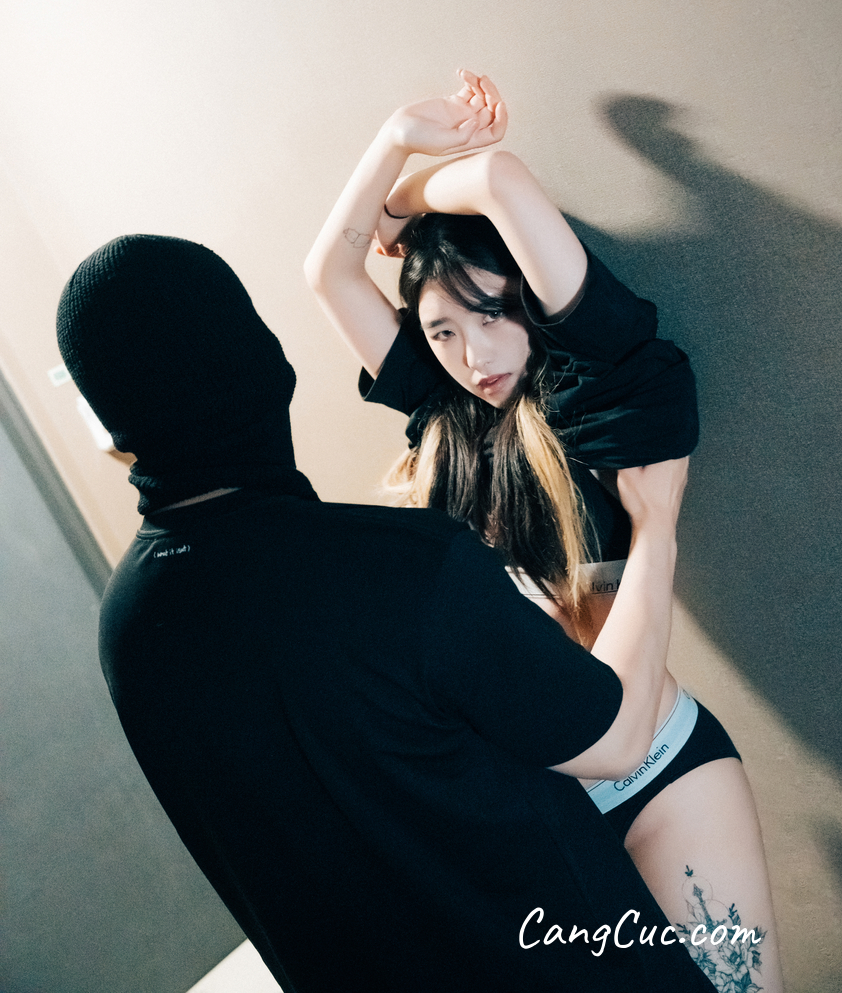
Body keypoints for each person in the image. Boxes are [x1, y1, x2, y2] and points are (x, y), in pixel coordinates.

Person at [56, 233, 719, 992]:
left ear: (113, 425)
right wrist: (655, 527)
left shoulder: (128, 626)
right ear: (269, 367)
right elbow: (618, 738)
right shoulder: (399, 568)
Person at [304, 71, 783, 990]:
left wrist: (408, 201)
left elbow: (498, 181)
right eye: (441, 333)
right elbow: (328, 272)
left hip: (656, 777)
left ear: (531, 297)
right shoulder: (446, 419)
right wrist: (394, 138)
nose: (472, 355)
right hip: (533, 809)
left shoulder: (603, 398)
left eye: (491, 313)